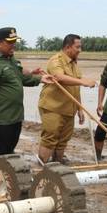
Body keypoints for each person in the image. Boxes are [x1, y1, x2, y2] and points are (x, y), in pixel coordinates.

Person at [0, 27, 53, 156]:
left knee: (9, 149)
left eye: (14, 42)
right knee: (0, 152)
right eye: (10, 42)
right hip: (2, 119)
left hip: (15, 116)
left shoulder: (11, 59)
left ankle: (5, 168)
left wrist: (40, 79)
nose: (13, 45)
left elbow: (21, 78)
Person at [38, 34, 97, 164]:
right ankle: (42, 166)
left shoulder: (74, 63)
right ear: (68, 47)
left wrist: (80, 109)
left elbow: (75, 88)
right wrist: (83, 81)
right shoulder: (56, 60)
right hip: (53, 108)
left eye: (80, 47)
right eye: (77, 47)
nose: (80, 50)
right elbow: (59, 77)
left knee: (63, 140)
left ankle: (58, 165)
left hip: (69, 109)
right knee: (50, 138)